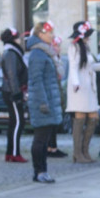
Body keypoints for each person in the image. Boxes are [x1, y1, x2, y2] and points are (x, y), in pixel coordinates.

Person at [66, 21, 100, 163]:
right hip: (79, 88)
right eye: (87, 35)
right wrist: (75, 83)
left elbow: (91, 67)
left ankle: (84, 150)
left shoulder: (86, 48)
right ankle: (77, 152)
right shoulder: (73, 47)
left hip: (89, 88)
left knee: (94, 117)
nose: (89, 38)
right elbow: (73, 67)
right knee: (80, 117)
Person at [25, 22, 62, 183]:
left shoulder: (45, 53)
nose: (52, 36)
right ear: (40, 34)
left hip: (47, 101)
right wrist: (42, 102)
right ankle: (39, 171)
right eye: (49, 33)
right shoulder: (37, 54)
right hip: (42, 103)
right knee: (40, 139)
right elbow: (36, 81)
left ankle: (43, 170)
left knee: (44, 139)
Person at [0, 28, 28, 163]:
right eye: (17, 37)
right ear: (12, 39)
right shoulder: (11, 53)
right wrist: (17, 93)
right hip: (12, 92)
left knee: (14, 122)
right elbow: (12, 75)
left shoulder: (11, 52)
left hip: (11, 91)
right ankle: (15, 153)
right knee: (18, 122)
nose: (19, 39)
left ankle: (10, 153)